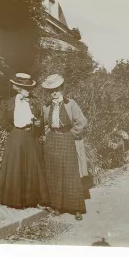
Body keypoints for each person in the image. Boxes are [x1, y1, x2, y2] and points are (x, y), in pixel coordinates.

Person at [0, 73, 50, 210]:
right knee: (16, 167)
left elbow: (42, 120)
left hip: (31, 136)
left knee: (34, 166)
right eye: (26, 88)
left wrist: (38, 124)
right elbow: (2, 121)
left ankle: (34, 200)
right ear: (17, 88)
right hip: (16, 136)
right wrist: (14, 130)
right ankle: (15, 200)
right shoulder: (8, 103)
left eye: (30, 88)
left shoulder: (35, 102)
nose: (29, 91)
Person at [42, 74, 89, 221]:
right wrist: (47, 134)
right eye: (51, 90)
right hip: (52, 141)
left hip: (68, 139)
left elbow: (82, 121)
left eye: (56, 89)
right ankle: (57, 207)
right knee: (54, 174)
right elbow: (44, 123)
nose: (54, 93)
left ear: (62, 89)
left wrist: (71, 134)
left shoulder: (71, 104)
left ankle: (76, 208)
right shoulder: (46, 106)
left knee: (71, 173)